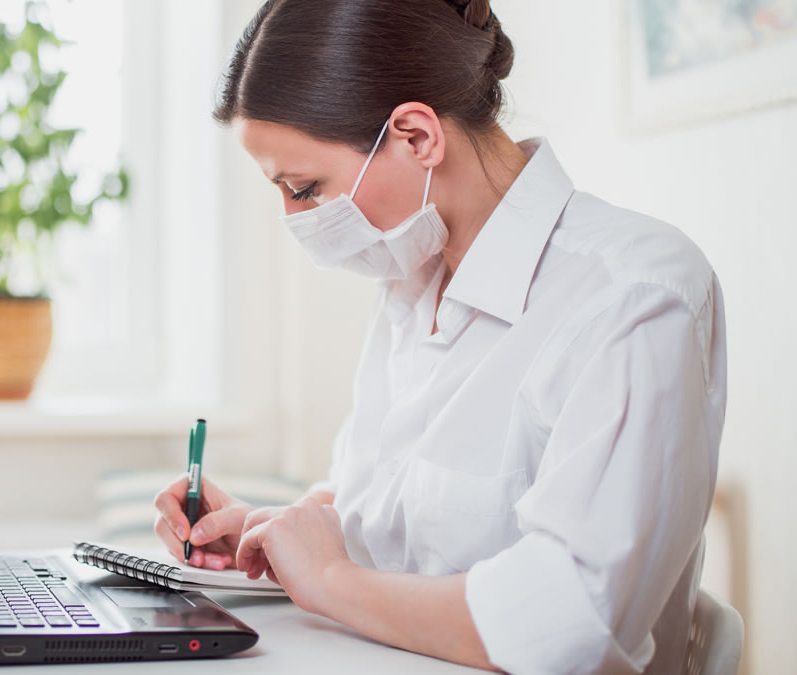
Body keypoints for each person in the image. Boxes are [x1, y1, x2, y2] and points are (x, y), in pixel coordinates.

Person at [152, 1, 727, 672]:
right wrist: (280, 535)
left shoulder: (635, 295)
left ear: (418, 137)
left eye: (305, 188)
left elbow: (574, 623)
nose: (294, 218)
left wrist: (331, 581)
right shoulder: (411, 278)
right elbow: (401, 517)